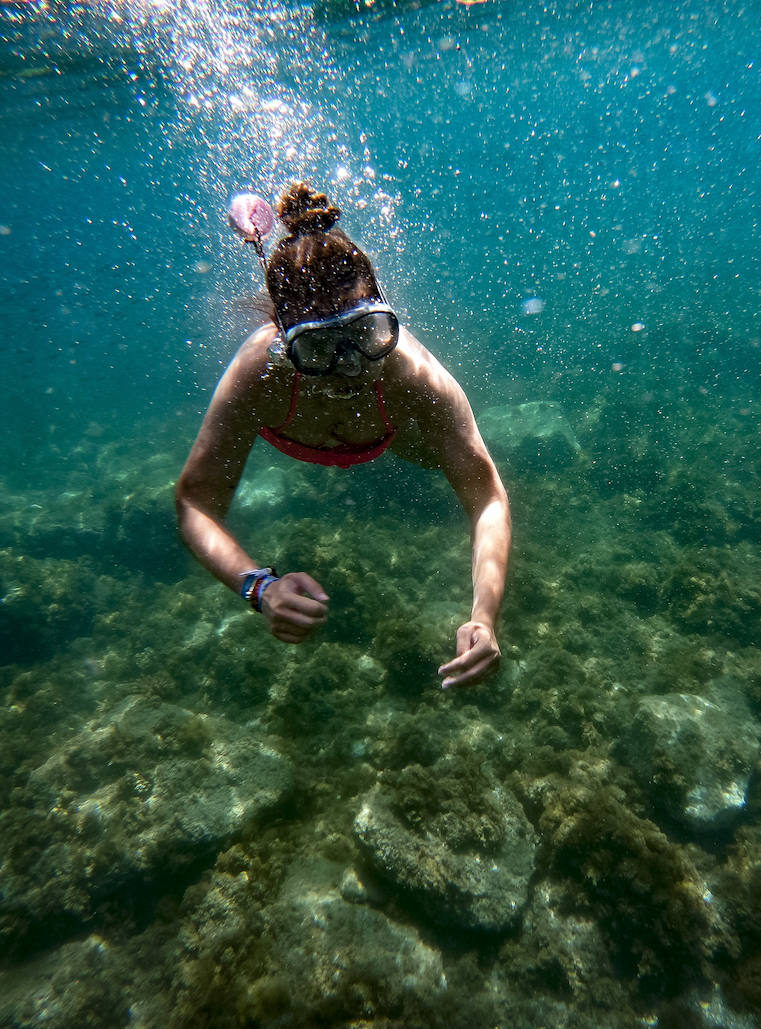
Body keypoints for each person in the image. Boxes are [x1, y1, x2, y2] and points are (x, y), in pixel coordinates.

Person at [175, 182, 510, 689]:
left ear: (384, 313)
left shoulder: (410, 375)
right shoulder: (256, 375)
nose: (349, 369)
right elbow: (195, 503)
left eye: (366, 332)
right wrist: (258, 588)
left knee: (448, 461)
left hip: (391, 436)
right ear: (284, 344)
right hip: (353, 429)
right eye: (317, 349)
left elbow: (486, 497)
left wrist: (484, 617)